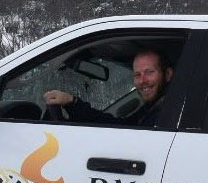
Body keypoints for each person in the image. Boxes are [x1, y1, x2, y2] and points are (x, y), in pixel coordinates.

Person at [43, 49, 174, 127]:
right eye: (137, 75)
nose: (142, 80)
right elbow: (120, 126)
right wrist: (72, 102)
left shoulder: (170, 115)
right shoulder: (153, 108)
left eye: (150, 72)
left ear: (168, 74)